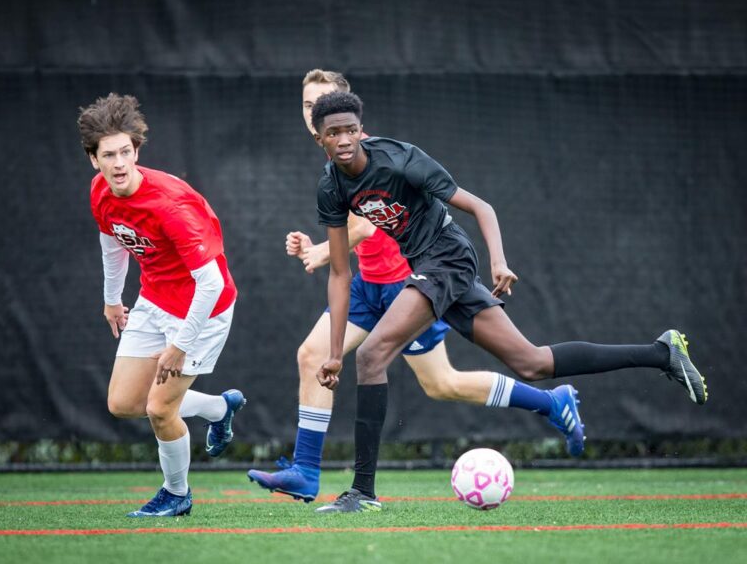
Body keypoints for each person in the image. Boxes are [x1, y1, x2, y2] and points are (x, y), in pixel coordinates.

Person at [311, 90, 708, 513]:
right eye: (334, 133)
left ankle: (362, 492)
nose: (344, 139)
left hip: (448, 259)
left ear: (361, 129)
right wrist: (334, 353)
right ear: (320, 138)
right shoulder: (331, 188)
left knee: (372, 354)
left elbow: (481, 207)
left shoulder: (400, 158)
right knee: (531, 363)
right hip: (428, 266)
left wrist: (498, 263)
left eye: (351, 129)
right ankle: (661, 352)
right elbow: (340, 273)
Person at [247, 70, 588, 505]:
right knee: (314, 354)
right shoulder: (330, 160)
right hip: (367, 284)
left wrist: (321, 251)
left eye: (322, 102)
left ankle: (548, 402)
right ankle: (306, 471)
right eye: (307, 106)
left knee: (441, 382)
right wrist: (325, 250)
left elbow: (370, 220)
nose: (312, 110)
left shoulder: (366, 147)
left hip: (407, 279)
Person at [78, 93, 246, 517]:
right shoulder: (101, 189)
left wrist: (181, 345)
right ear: (93, 159)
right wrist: (112, 299)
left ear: (136, 151)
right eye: (108, 155)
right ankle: (217, 407)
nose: (118, 163)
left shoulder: (171, 205)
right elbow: (112, 238)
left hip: (203, 309)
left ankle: (177, 494)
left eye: (125, 152)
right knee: (122, 403)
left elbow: (209, 284)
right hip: (154, 299)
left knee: (158, 408)